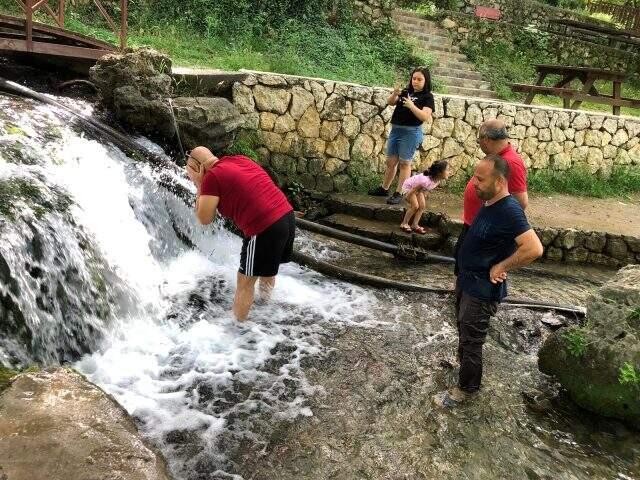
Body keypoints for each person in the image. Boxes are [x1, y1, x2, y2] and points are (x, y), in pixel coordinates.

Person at [436, 154, 543, 408]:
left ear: (500, 181)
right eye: (474, 176)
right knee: (463, 330)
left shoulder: (509, 210)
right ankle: (463, 370)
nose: (474, 183)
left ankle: (465, 391)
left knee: (473, 341)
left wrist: (502, 265)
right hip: (467, 281)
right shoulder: (490, 203)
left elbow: (534, 248)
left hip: (482, 290)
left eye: (481, 179)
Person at [185, 146, 295, 321]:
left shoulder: (211, 177)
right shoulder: (238, 159)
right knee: (267, 271)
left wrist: (199, 184)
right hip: (286, 217)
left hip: (264, 228)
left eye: (189, 172)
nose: (189, 178)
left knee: (244, 282)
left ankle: (237, 329)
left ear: (197, 168)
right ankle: (266, 311)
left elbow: (204, 218)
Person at [454, 118, 529, 274]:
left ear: (486, 139)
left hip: (486, 231)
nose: (479, 144)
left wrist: (493, 225)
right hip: (475, 224)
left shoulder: (511, 163)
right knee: (463, 267)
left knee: (474, 272)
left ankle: (465, 297)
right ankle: (459, 297)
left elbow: (520, 201)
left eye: (478, 140)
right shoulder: (497, 157)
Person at [368, 66, 435, 205]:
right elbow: (391, 102)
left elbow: (424, 116)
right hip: (396, 130)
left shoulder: (428, 97)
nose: (415, 81)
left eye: (419, 79)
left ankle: (400, 192)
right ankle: (384, 188)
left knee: (405, 163)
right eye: (414, 78)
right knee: (390, 162)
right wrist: (395, 94)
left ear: (426, 81)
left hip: (411, 132)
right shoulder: (406, 91)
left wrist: (411, 105)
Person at [399, 160, 450, 234]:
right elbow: (413, 189)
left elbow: (424, 189)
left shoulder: (437, 181)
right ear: (439, 173)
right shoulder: (425, 181)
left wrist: (423, 196)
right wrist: (407, 197)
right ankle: (404, 223)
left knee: (422, 206)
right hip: (409, 188)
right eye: (447, 170)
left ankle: (414, 225)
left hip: (418, 190)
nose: (449, 172)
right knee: (415, 206)